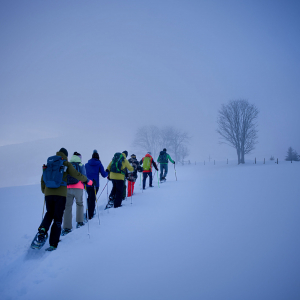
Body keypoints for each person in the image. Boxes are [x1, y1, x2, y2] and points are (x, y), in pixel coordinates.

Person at [37, 148, 89, 251]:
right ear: (66, 155)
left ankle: (43, 228)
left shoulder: (50, 163)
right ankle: (53, 243)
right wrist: (86, 180)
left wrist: (45, 191)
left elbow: (43, 179)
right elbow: (76, 174)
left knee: (49, 213)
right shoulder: (65, 163)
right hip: (60, 194)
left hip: (48, 194)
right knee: (57, 217)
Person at [62, 152, 92, 236]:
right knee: (79, 204)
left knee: (67, 206)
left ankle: (67, 227)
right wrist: (88, 182)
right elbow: (83, 176)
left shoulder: (68, 164)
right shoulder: (81, 165)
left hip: (68, 188)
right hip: (78, 187)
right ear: (79, 157)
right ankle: (79, 222)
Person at [85, 150, 108, 219]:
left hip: (87, 184)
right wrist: (108, 172)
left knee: (90, 198)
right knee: (92, 199)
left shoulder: (86, 164)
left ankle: (89, 212)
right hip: (95, 184)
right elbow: (104, 175)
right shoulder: (99, 164)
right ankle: (90, 215)